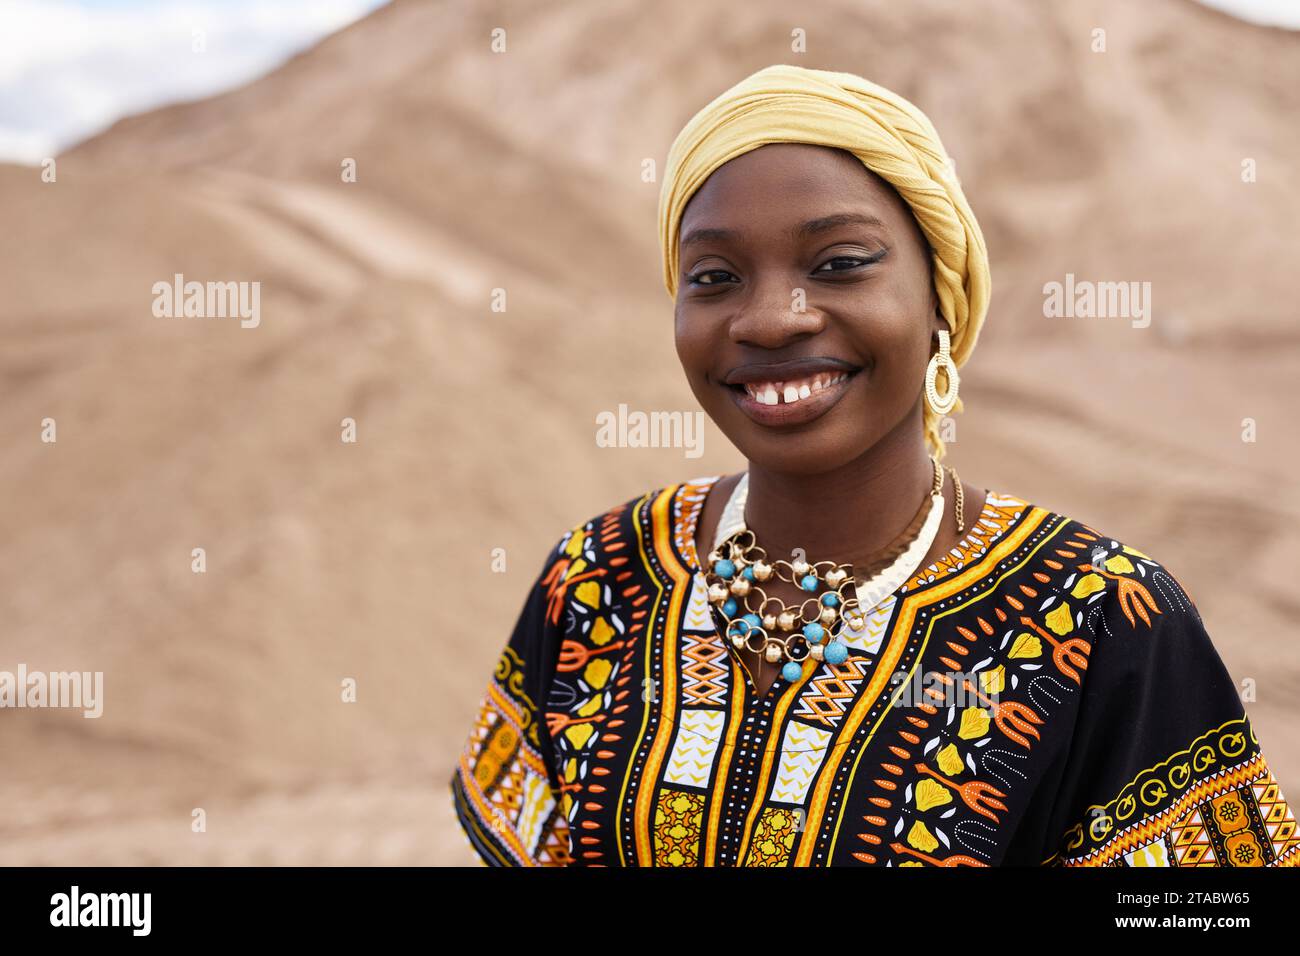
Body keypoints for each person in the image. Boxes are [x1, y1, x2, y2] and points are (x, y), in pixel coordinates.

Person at [449, 63, 1298, 867]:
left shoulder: (1106, 619)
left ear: (940, 294)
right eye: (714, 276)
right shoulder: (598, 576)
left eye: (841, 264)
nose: (772, 320)